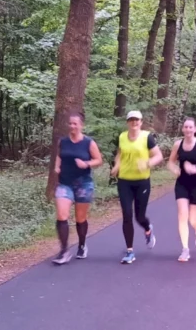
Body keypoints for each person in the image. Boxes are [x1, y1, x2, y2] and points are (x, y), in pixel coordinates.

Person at [111, 110, 163, 264]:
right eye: (131, 120)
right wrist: (116, 166)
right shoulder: (122, 137)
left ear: (141, 122)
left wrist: (147, 163)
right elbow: (120, 154)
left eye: (137, 120)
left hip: (142, 181)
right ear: (127, 122)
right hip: (124, 181)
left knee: (139, 217)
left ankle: (148, 229)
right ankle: (130, 251)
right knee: (127, 215)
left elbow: (158, 156)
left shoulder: (147, 137)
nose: (134, 123)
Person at [52, 113, 103, 265]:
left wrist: (86, 163)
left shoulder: (88, 142)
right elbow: (60, 155)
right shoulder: (63, 141)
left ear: (81, 125)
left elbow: (99, 160)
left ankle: (81, 245)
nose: (72, 126)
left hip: (83, 183)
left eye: (75, 124)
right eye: (70, 123)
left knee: (80, 218)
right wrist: (57, 166)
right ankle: (64, 251)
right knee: (62, 215)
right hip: (65, 183)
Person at [167, 118, 196, 262]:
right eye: (185, 127)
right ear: (182, 129)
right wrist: (175, 169)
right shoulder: (177, 145)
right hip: (181, 184)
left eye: (190, 127)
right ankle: (185, 249)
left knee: (193, 219)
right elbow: (170, 162)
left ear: (195, 129)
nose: (188, 130)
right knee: (182, 215)